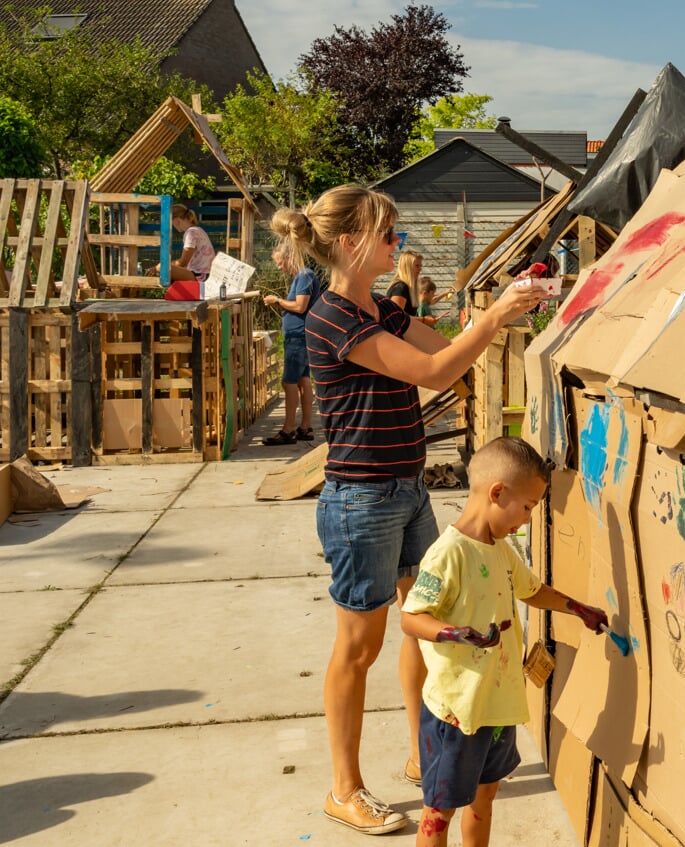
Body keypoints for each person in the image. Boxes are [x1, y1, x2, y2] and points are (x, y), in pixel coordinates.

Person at [268, 184, 549, 836]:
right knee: (357, 648)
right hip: (361, 501)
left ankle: (424, 753)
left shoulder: (378, 309)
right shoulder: (334, 318)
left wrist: (506, 312)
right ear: (349, 242)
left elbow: (440, 347)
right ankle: (344, 788)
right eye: (387, 233)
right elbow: (434, 373)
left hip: (405, 488)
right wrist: (492, 317)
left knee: (422, 618)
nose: (398, 243)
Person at [400, 437, 610, 847]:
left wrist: (578, 608)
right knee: (439, 813)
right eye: (529, 506)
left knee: (486, 797)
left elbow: (532, 591)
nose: (529, 519)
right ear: (497, 493)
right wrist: (454, 633)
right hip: (456, 713)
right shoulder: (449, 554)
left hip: (496, 707)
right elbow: (411, 617)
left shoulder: (500, 549)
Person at [262, 246, 321, 445]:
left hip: (298, 337)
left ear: (290, 258)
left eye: (281, 262)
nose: (280, 267)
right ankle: (305, 427)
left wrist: (277, 300)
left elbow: (299, 306)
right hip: (300, 336)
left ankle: (288, 430)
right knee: (303, 381)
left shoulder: (304, 276)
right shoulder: (303, 276)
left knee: (289, 383)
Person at [164, 203, 215, 282]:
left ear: (176, 220)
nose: (172, 226)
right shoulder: (196, 230)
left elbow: (183, 262)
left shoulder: (191, 233)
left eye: (171, 223)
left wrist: (162, 267)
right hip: (203, 273)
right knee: (164, 268)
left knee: (163, 268)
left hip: (201, 275)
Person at [387, 249, 422, 316]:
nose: (420, 269)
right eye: (417, 266)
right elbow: (397, 317)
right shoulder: (401, 288)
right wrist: (424, 320)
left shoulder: (408, 287)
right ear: (407, 267)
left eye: (420, 266)